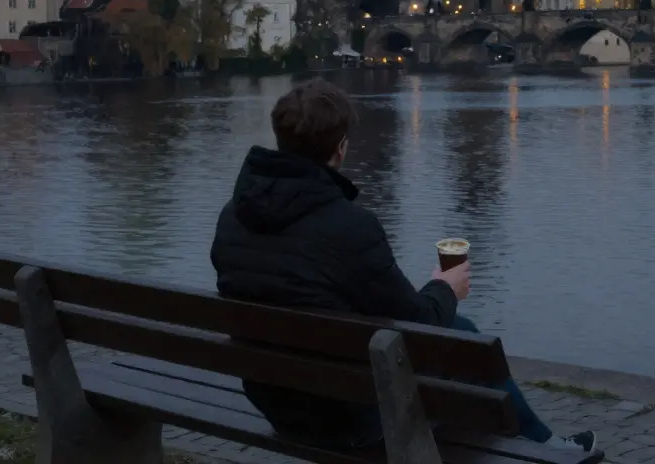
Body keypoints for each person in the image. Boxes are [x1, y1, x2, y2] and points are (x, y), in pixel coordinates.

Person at [211, 79, 597, 454]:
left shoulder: (233, 215)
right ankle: (548, 449)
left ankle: (544, 444)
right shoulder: (349, 226)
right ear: (341, 148)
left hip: (275, 400)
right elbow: (419, 324)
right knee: (462, 338)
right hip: (348, 418)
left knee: (455, 338)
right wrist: (447, 287)